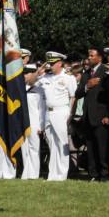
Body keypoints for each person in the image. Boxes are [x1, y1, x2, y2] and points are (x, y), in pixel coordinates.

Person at [39, 52, 77, 181]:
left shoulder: (68, 78)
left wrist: (70, 115)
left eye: (53, 63)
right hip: (48, 113)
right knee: (51, 144)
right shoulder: (45, 77)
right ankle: (53, 174)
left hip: (61, 112)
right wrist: (40, 69)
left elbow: (73, 97)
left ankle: (62, 174)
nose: (50, 65)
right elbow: (31, 81)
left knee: (62, 143)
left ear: (60, 63)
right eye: (49, 62)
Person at [76, 47, 109, 182]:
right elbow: (78, 93)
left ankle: (104, 175)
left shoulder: (106, 72)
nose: (89, 57)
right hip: (88, 117)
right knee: (90, 148)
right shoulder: (86, 74)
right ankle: (93, 174)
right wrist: (87, 86)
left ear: (99, 58)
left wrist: (107, 115)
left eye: (92, 55)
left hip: (101, 116)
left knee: (102, 148)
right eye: (88, 55)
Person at [21, 63, 46, 179]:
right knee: (24, 148)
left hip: (35, 122)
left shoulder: (39, 89)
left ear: (33, 74)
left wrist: (41, 126)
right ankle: (26, 172)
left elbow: (41, 109)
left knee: (34, 148)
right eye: (24, 73)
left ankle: (34, 174)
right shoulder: (20, 89)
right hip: (23, 122)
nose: (25, 75)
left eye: (27, 73)